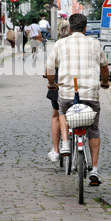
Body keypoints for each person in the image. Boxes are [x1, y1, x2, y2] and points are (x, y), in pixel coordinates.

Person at [46, 13, 110, 185]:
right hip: (90, 95)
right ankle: (94, 170)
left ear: (69, 28)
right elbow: (104, 67)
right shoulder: (95, 44)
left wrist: (52, 83)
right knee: (94, 129)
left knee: (62, 110)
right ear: (85, 28)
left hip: (67, 94)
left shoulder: (60, 43)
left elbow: (50, 67)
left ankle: (65, 143)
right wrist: (104, 81)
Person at [46, 20, 70, 162]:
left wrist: (50, 80)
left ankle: (56, 150)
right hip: (77, 83)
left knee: (56, 115)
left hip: (59, 83)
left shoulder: (58, 45)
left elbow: (49, 67)